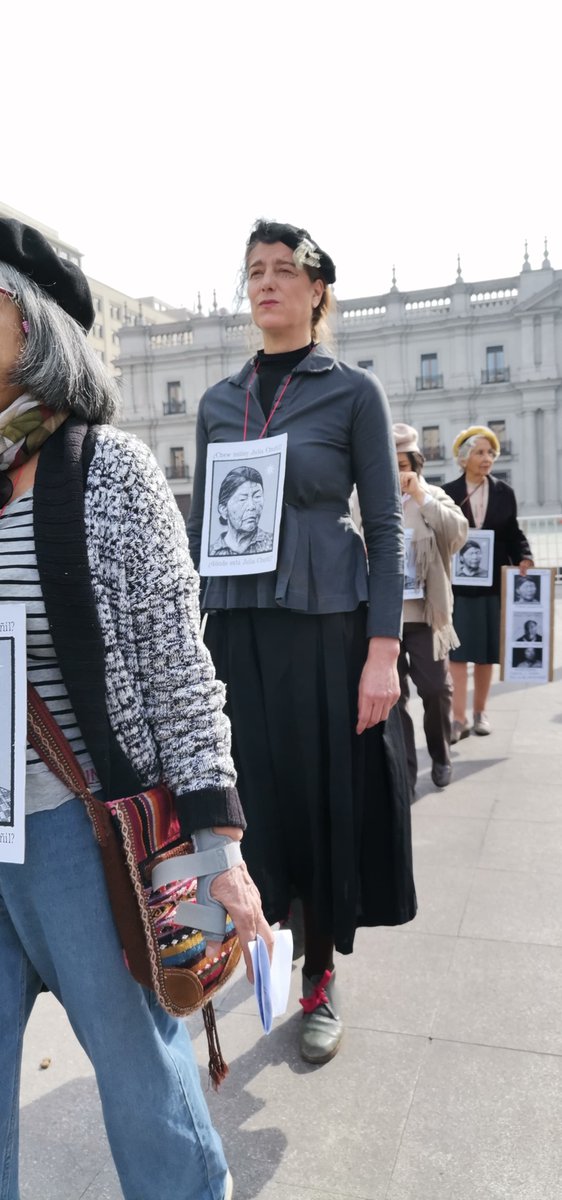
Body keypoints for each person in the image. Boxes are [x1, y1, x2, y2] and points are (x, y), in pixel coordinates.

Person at [0, 218, 275, 1200]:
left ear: (35, 326)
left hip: (84, 840)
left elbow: (176, 668)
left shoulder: (107, 472)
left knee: (142, 1085)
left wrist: (218, 856)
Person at [187, 219, 416, 1066]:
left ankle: (320, 972)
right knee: (251, 800)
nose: (267, 282)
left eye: (286, 270)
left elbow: (386, 532)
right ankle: (255, 942)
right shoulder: (218, 402)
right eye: (255, 271)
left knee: (323, 799)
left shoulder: (353, 391)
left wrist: (383, 652)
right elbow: (204, 524)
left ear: (318, 290)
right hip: (238, 627)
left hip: (327, 628)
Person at [443, 426, 534, 741]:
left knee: (485, 652)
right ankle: (458, 718)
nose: (488, 458)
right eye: (480, 452)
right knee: (457, 654)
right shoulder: (448, 492)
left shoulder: (503, 492)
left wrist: (525, 556)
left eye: (491, 452)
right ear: (464, 457)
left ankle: (481, 713)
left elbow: (513, 532)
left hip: (493, 584)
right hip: (457, 587)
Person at [393, 423, 468, 793]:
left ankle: (440, 755)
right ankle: (405, 773)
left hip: (425, 614)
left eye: (403, 463)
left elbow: (457, 535)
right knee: (395, 698)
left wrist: (421, 495)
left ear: (416, 464)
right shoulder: (364, 500)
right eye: (388, 463)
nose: (397, 471)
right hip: (384, 617)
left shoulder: (432, 496)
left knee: (436, 689)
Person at [210, 465, 273, 556]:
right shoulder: (211, 553)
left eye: (257, 497)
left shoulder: (273, 543)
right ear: (223, 510)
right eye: (242, 499)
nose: (252, 506)